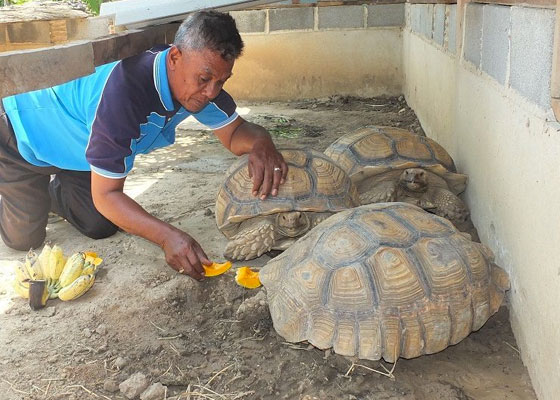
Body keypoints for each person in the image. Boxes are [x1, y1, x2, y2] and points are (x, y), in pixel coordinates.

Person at [0, 11, 288, 280]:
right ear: (174, 56)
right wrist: (167, 237)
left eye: (221, 81)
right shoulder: (125, 94)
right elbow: (108, 194)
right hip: (21, 137)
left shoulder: (196, 85)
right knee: (23, 239)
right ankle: (19, 186)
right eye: (205, 79)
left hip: (79, 152)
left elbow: (236, 132)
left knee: (99, 225)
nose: (212, 92)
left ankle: (53, 193)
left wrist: (262, 142)